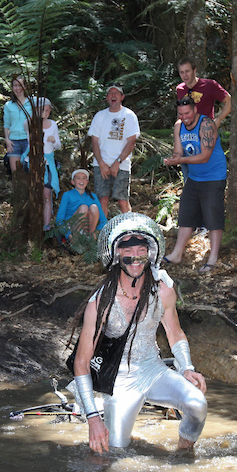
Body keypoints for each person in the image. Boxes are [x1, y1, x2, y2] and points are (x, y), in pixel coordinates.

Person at [69, 212, 208, 453]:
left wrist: (187, 367)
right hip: (119, 381)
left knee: (197, 404)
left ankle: (183, 455)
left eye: (140, 251)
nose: (135, 258)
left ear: (150, 253)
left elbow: (175, 333)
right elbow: (81, 362)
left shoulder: (163, 290)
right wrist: (93, 419)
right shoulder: (100, 303)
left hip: (153, 370)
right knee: (114, 453)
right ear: (116, 256)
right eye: (127, 252)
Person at [163, 97, 226, 273]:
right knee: (186, 214)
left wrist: (181, 160)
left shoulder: (207, 124)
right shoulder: (179, 125)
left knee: (213, 218)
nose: (185, 117)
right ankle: (177, 253)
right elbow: (178, 150)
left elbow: (205, 156)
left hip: (214, 176)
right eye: (181, 114)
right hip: (195, 177)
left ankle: (212, 258)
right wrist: (175, 158)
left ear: (195, 109)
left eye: (188, 113)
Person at [89, 84, 139, 216]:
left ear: (122, 97)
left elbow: (131, 142)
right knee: (102, 199)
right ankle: (103, 232)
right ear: (106, 98)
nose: (113, 95)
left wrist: (118, 162)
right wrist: (101, 163)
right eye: (110, 93)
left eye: (116, 93)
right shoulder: (99, 116)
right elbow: (94, 141)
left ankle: (128, 230)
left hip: (122, 164)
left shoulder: (129, 115)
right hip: (101, 164)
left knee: (122, 200)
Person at [21, 98, 62, 228]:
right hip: (33, 162)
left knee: (46, 194)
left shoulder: (53, 124)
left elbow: (58, 145)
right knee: (34, 192)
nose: (46, 112)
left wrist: (53, 141)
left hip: (48, 163)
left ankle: (46, 225)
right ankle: (32, 223)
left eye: (48, 110)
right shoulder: (30, 123)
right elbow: (28, 129)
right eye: (42, 110)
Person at [176, 58, 232, 129]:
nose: (185, 75)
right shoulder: (180, 89)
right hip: (187, 132)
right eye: (182, 72)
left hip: (205, 130)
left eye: (187, 71)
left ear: (194, 70)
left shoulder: (209, 85)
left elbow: (229, 100)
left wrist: (218, 120)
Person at [55, 169, 107, 239]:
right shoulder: (67, 195)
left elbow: (103, 220)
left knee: (94, 207)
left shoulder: (93, 196)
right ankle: (77, 238)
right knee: (83, 207)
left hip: (88, 228)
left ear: (87, 182)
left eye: (84, 178)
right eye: (78, 178)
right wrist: (68, 235)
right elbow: (59, 218)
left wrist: (97, 233)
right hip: (72, 228)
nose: (81, 180)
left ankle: (90, 238)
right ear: (73, 182)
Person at [3, 76, 34, 175]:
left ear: (25, 87)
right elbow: (6, 124)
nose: (18, 88)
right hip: (13, 142)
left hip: (28, 140)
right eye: (15, 86)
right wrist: (7, 139)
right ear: (12, 88)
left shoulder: (32, 102)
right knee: (16, 173)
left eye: (20, 85)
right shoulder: (8, 105)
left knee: (29, 171)